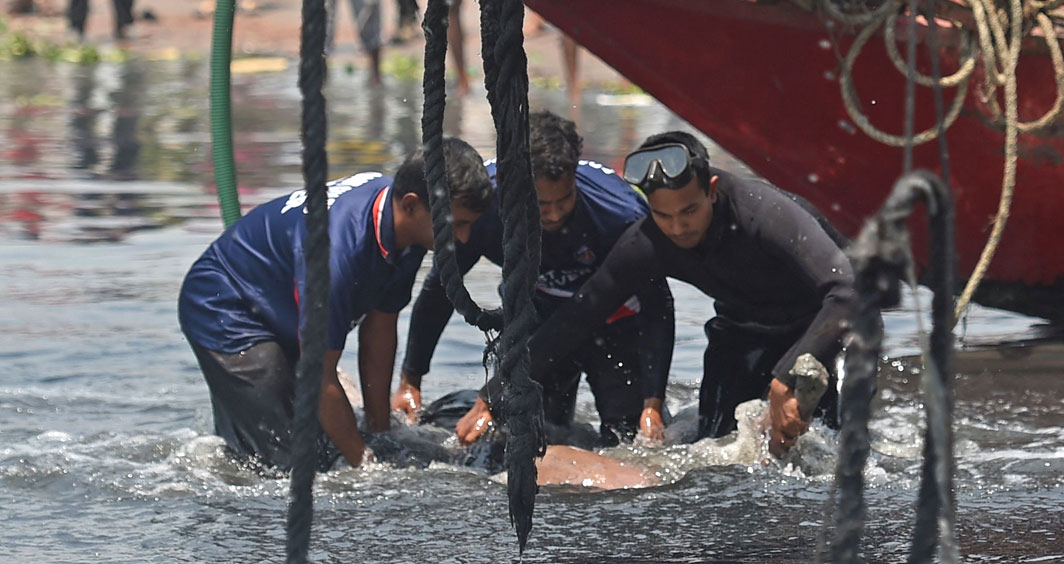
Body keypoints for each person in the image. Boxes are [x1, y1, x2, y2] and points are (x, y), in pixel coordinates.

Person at [467, 131, 854, 457]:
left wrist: (785, 378)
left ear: (712, 190)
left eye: (688, 212)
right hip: (741, 329)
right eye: (663, 215)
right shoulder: (648, 241)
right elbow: (577, 317)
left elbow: (845, 291)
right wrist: (492, 394)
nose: (678, 228)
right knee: (720, 447)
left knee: (826, 448)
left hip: (821, 326)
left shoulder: (761, 212)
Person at [178, 137, 493, 469]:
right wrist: (365, 466)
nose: (463, 239)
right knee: (287, 464)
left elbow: (380, 329)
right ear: (412, 205)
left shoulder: (407, 223)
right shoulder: (337, 254)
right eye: (456, 225)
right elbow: (318, 373)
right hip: (225, 306)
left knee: (330, 441)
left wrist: (380, 431)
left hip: (281, 303)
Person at [394, 110, 666, 446]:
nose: (553, 214)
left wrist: (652, 402)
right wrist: (411, 379)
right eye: (541, 204)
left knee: (627, 440)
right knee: (532, 436)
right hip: (535, 320)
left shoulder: (619, 215)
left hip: (614, 322)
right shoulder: (481, 209)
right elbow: (440, 290)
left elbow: (658, 304)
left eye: (564, 200)